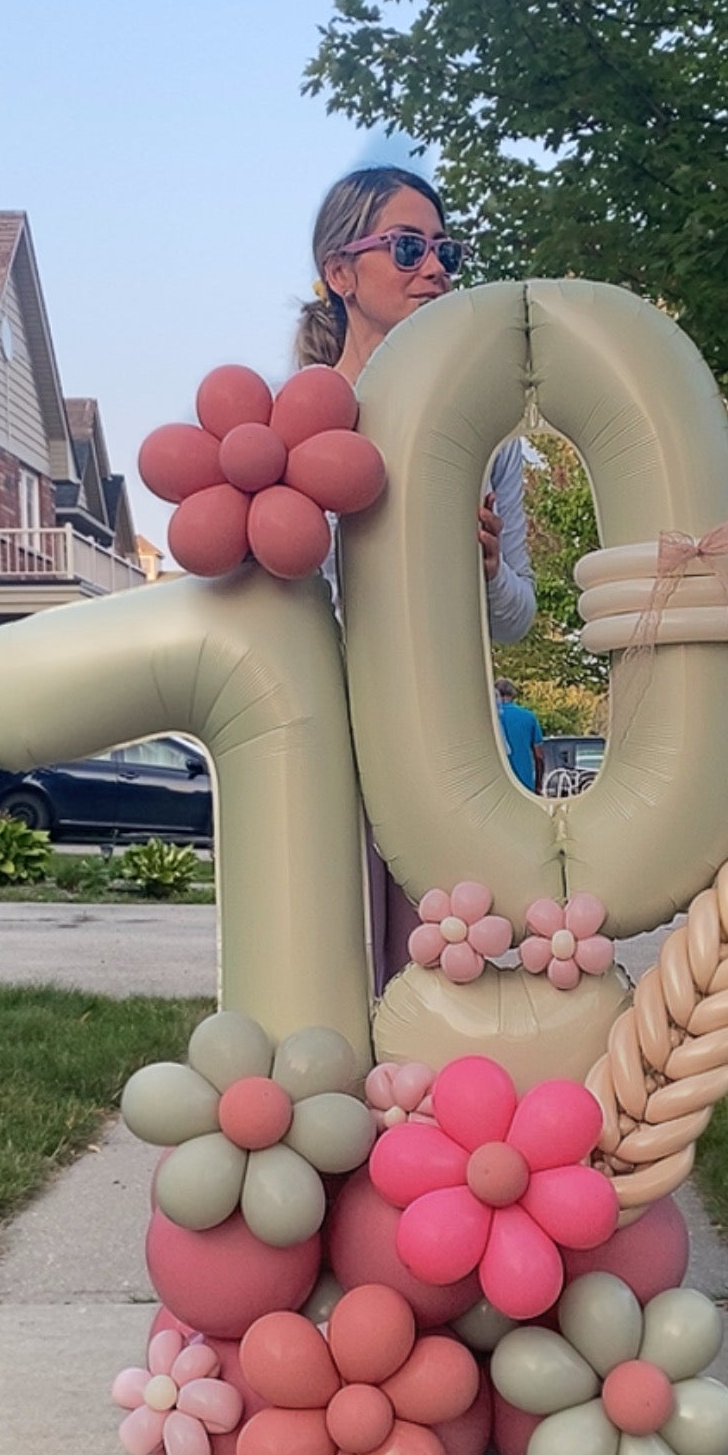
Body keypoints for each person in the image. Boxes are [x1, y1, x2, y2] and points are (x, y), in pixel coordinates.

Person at [294, 167, 537, 987]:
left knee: (442, 958)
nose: (433, 268)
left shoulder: (490, 437)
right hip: (327, 727)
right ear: (338, 272)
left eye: (445, 250)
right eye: (405, 248)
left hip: (448, 736)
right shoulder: (298, 420)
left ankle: (443, 1113)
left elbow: (516, 619)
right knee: (331, 955)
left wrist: (491, 565)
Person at [495, 678, 545, 793]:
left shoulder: (490, 719)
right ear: (513, 694)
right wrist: (538, 784)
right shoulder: (528, 717)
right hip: (524, 783)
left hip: (497, 785)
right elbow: (539, 756)